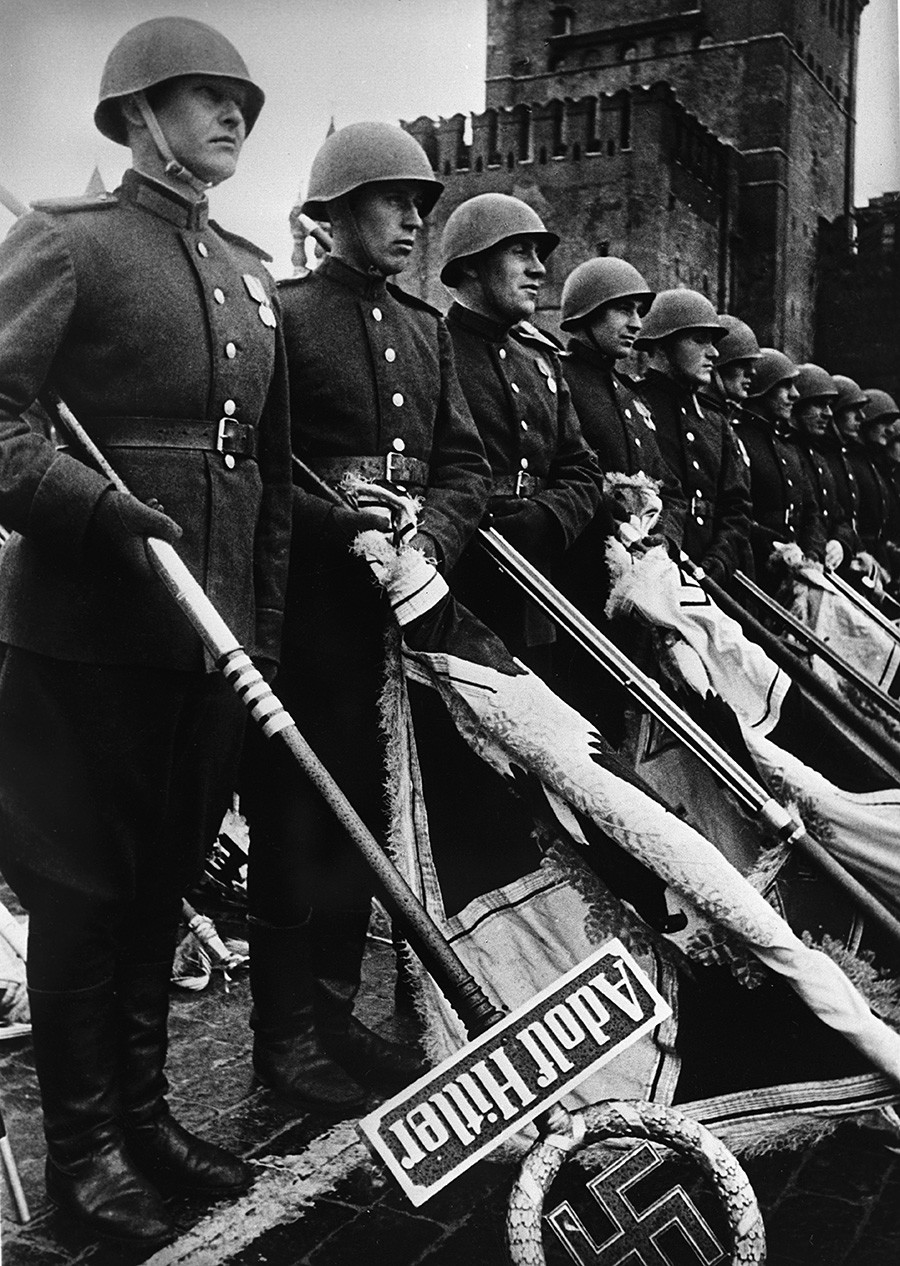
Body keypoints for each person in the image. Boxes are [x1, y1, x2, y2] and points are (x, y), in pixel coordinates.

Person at [0, 17, 291, 1247]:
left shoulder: (246, 267)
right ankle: (83, 1157)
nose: (231, 115)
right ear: (138, 115)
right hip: (84, 642)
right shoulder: (68, 242)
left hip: (206, 643)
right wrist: (97, 507)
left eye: (240, 100)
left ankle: (147, 1118)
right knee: (84, 898)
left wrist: (260, 632)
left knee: (166, 885)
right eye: (202, 96)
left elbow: (270, 483)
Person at [240, 123, 492, 1112]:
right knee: (301, 818)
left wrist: (427, 538)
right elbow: (261, 472)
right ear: (337, 214)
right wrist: (344, 527)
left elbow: (463, 466)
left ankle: (336, 1017)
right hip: (312, 618)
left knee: (373, 826)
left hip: (404, 620)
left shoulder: (428, 330)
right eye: (393, 201)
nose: (414, 219)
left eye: (420, 204)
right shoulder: (288, 315)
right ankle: (284, 1038)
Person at [438, 193, 603, 675]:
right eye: (520, 252)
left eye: (539, 255)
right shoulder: (434, 347)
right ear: (470, 265)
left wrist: (546, 518)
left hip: (536, 589)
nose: (539, 270)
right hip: (459, 589)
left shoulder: (540, 360)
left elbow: (582, 468)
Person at [553, 256, 685, 739]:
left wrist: (661, 541)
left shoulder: (631, 397)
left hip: (639, 589)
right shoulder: (559, 377)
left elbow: (666, 488)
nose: (636, 324)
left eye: (639, 311)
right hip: (578, 583)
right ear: (586, 315)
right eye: (621, 310)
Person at [635, 290, 752, 586]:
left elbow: (736, 508)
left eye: (713, 342)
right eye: (699, 340)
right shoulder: (633, 405)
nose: (713, 353)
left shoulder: (714, 423)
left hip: (710, 576)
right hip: (652, 574)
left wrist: (718, 563)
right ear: (662, 344)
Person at [733, 349, 824, 591]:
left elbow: (810, 511)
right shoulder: (738, 438)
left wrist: (812, 554)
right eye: (785, 386)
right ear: (763, 388)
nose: (795, 395)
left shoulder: (787, 446)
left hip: (793, 574)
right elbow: (737, 512)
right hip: (753, 573)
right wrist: (776, 548)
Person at [791, 364, 858, 573]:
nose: (828, 414)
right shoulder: (791, 453)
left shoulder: (818, 459)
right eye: (819, 405)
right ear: (797, 405)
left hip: (823, 567)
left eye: (829, 406)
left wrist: (840, 543)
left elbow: (839, 517)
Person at [697, 314, 762, 424]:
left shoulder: (724, 419)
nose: (752, 372)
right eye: (743, 363)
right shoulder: (700, 419)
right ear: (715, 364)